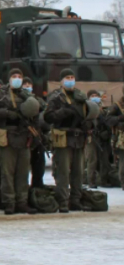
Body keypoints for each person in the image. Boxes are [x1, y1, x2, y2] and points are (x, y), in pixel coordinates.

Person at [0, 69, 36, 215]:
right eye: (14, 76)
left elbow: (36, 113)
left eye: (20, 76)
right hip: (6, 136)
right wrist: (7, 113)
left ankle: (22, 201)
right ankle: (9, 202)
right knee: (7, 172)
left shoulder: (27, 95)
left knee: (23, 172)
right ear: (9, 79)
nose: (17, 78)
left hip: (23, 136)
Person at [43, 69, 89, 212]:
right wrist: (63, 112)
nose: (70, 80)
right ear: (61, 80)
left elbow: (88, 113)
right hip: (63, 138)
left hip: (78, 138)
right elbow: (48, 117)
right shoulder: (56, 97)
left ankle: (75, 200)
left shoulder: (80, 96)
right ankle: (63, 201)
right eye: (67, 77)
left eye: (72, 77)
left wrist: (88, 123)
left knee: (78, 172)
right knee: (62, 172)